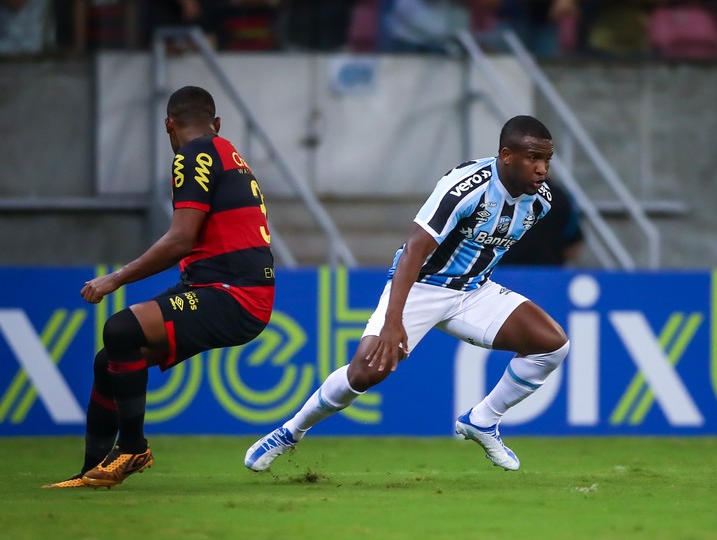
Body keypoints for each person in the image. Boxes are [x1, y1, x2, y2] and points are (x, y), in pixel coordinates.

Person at [245, 115, 569, 473]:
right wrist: (393, 321)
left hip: (474, 291)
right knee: (365, 372)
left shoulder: (541, 201)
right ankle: (290, 432)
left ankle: (482, 419)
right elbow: (415, 249)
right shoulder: (464, 187)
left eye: (547, 160)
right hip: (422, 285)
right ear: (507, 156)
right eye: (533, 159)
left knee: (552, 344)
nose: (541, 169)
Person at [45, 86, 276, 489]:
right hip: (230, 289)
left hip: (232, 293)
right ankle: (93, 473)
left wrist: (114, 278)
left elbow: (181, 239)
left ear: (168, 124)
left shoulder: (193, 155)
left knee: (120, 329)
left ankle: (133, 447)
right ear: (216, 123)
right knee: (109, 362)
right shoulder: (227, 153)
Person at [499, 177, 583, 265]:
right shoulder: (562, 196)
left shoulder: (498, 193)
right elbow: (574, 242)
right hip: (547, 271)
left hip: (504, 270)